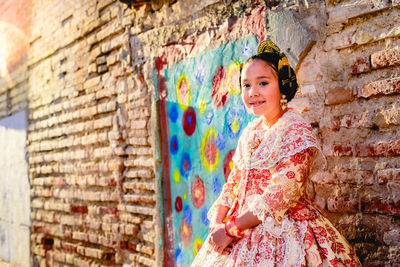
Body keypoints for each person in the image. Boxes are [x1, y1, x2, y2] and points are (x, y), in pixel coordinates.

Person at [191, 41, 361, 267]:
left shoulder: (294, 128)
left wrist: (232, 228)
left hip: (283, 228)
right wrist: (217, 224)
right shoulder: (250, 132)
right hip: (237, 229)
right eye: (246, 85)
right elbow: (234, 183)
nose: (253, 92)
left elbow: (282, 193)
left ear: (282, 86)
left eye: (263, 83)